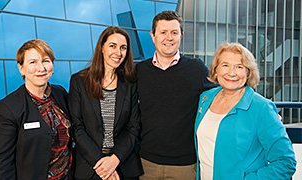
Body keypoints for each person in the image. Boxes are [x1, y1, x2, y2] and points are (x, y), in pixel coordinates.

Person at [194, 42, 296, 179]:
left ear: (248, 72)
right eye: (225, 65)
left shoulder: (262, 108)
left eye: (239, 67)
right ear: (216, 69)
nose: (231, 73)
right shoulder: (206, 98)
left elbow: (286, 162)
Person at [136, 10, 216, 179]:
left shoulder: (196, 69)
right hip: (146, 163)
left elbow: (225, 94)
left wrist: (260, 110)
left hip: (185, 166)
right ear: (153, 35)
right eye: (163, 32)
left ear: (181, 35)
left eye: (174, 32)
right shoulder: (139, 71)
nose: (169, 38)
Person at [0, 39, 73, 180]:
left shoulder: (60, 94)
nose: (41, 68)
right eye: (33, 62)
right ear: (21, 68)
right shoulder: (7, 109)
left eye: (46, 61)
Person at [68, 26, 143, 180]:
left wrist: (114, 160)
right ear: (102, 48)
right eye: (112, 46)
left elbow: (133, 127)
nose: (118, 53)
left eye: (123, 48)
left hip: (123, 165)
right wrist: (103, 165)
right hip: (90, 167)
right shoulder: (79, 81)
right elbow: (77, 127)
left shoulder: (129, 83)